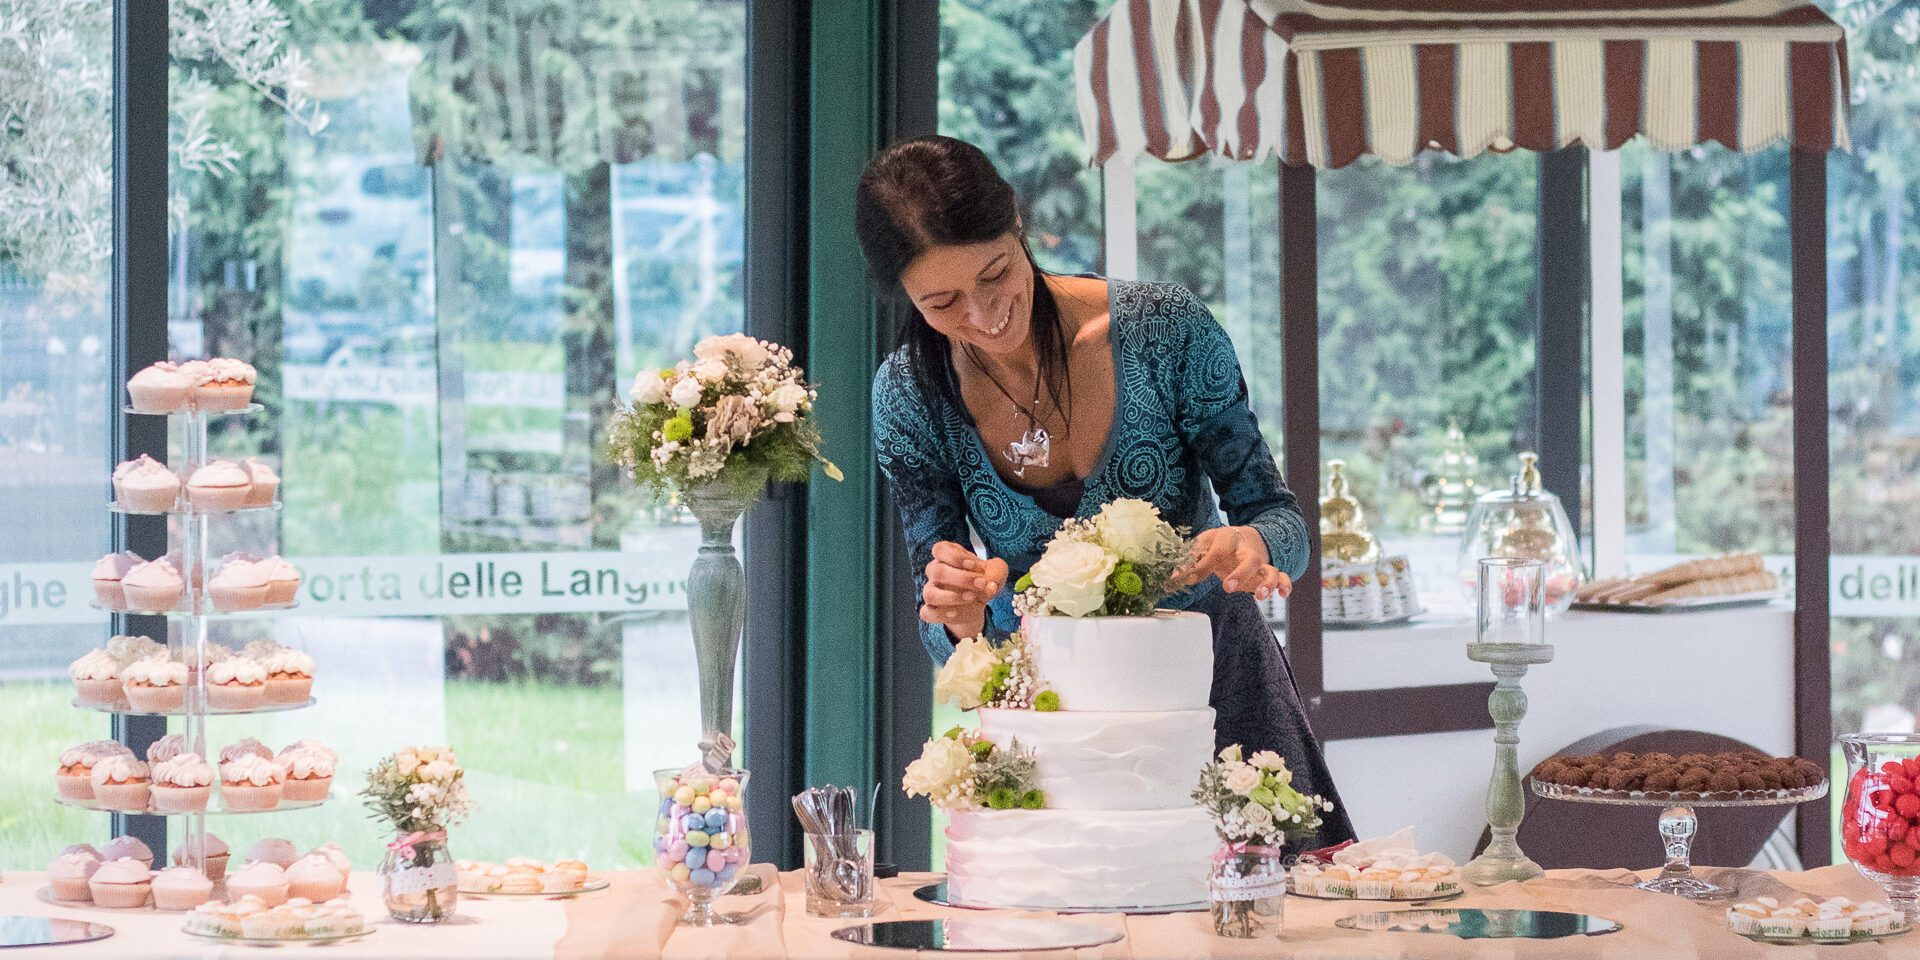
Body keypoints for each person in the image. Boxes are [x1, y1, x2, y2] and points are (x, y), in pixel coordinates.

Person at [859, 135, 1354, 847]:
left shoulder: (1166, 330)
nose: (983, 314)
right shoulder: (909, 396)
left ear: (1019, 226)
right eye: (943, 301)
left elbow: (1284, 527)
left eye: (997, 273)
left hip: (1224, 706)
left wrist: (1252, 543)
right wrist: (961, 612)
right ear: (904, 294)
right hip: (1059, 743)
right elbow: (944, 627)